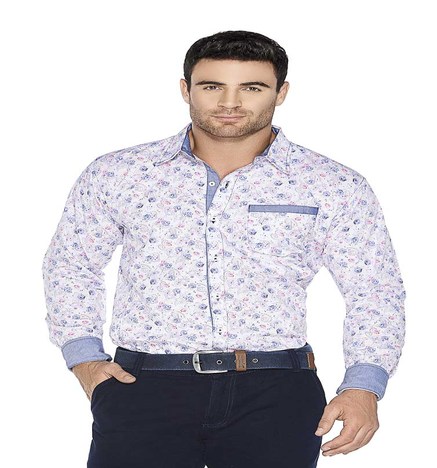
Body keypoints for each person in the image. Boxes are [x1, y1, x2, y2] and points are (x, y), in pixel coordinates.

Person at [42, 30, 406, 468]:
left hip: (277, 390)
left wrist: (364, 384)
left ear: (281, 92)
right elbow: (71, 265)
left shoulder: (333, 185)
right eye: (213, 86)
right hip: (143, 386)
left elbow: (374, 289)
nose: (229, 102)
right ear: (186, 89)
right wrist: (84, 359)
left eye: (252, 88)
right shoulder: (119, 173)